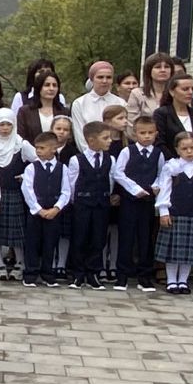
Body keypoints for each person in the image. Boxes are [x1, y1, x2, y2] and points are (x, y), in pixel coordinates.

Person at [154, 129, 193, 294]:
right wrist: (164, 211)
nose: (189, 152)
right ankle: (172, 280)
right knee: (173, 250)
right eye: (184, 148)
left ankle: (183, 281)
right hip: (175, 212)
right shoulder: (172, 167)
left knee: (189, 251)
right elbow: (164, 190)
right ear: (177, 149)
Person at [112, 114, 164, 292]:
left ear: (156, 133)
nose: (147, 136)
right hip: (129, 201)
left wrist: (155, 186)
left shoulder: (158, 153)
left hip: (147, 202)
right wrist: (134, 189)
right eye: (143, 133)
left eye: (150, 133)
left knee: (145, 238)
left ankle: (145, 276)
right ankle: (122, 276)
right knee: (126, 237)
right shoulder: (127, 151)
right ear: (135, 133)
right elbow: (118, 173)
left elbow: (161, 174)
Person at [66, 121, 114, 290]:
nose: (110, 141)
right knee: (80, 238)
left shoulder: (110, 159)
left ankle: (93, 272)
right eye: (105, 138)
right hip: (82, 205)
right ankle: (78, 273)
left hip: (101, 204)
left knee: (98, 238)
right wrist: (74, 201)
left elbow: (110, 180)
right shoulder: (76, 160)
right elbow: (72, 183)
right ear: (91, 140)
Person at [0, 110, 31, 281]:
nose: (5, 128)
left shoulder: (21, 145)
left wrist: (26, 176)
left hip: (15, 194)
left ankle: (20, 263)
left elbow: (40, 160)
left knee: (17, 232)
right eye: (1, 125)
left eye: (8, 124)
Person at [19, 130, 68, 285]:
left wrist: (56, 208)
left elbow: (66, 191)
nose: (38, 151)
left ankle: (48, 273)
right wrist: (38, 209)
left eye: (42, 148)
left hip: (54, 212)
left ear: (54, 149)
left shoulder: (62, 168)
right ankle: (31, 273)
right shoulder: (31, 168)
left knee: (50, 243)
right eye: (37, 148)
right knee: (32, 242)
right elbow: (27, 190)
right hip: (35, 213)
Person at [154, 74, 193, 156]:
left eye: (192, 89)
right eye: (185, 89)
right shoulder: (161, 114)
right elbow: (159, 142)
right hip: (170, 164)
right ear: (172, 92)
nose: (190, 92)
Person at [15, 70, 69, 143]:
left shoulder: (64, 112)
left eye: (54, 85)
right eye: (47, 85)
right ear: (39, 87)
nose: (51, 88)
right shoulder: (25, 112)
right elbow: (20, 138)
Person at [70, 61, 119, 133]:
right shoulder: (79, 104)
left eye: (108, 77)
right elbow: (79, 132)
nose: (104, 81)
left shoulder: (120, 103)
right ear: (92, 79)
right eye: (100, 77)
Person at [129, 52, 176, 121]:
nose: (163, 70)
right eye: (158, 67)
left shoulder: (177, 93)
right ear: (149, 71)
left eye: (166, 67)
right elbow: (131, 122)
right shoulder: (137, 94)